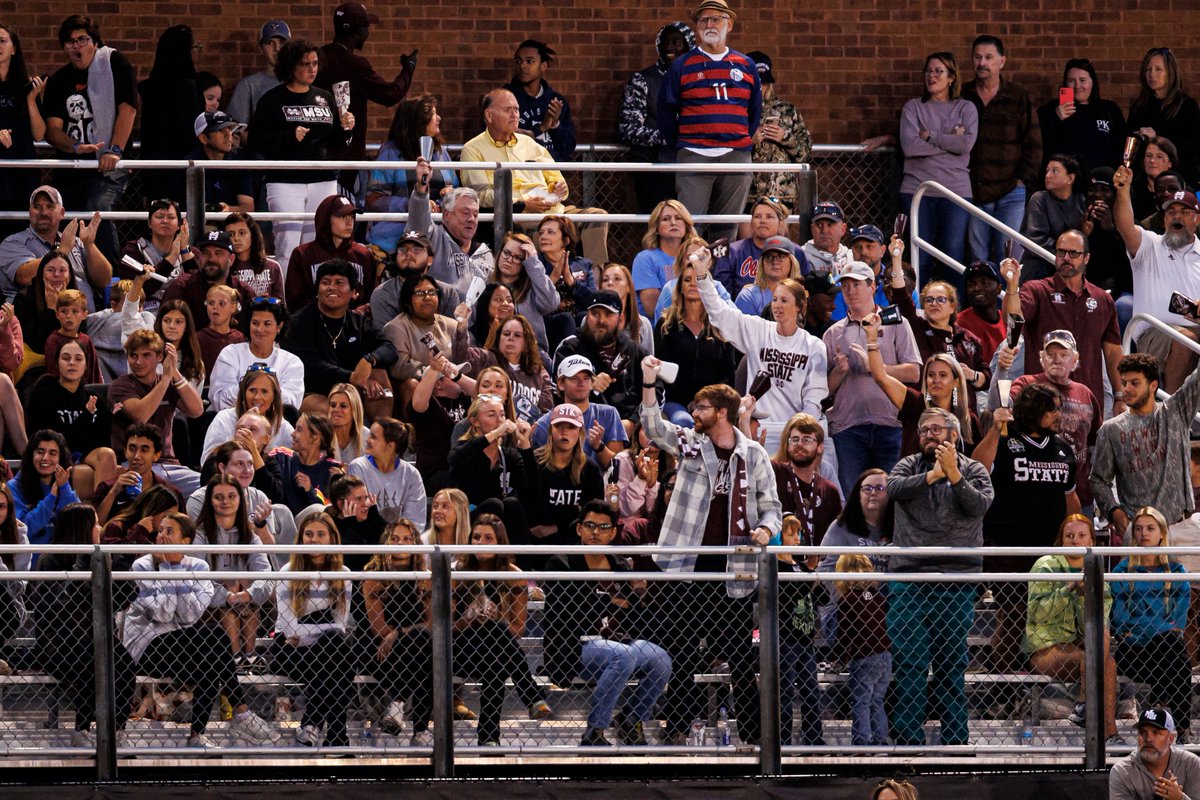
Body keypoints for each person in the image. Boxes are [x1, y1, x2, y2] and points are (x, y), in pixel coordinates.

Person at [639, 358, 781, 744]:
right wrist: (649, 383)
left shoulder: (753, 455)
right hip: (687, 565)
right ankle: (678, 732)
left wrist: (767, 529)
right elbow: (653, 426)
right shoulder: (689, 443)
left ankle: (753, 736)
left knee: (740, 656)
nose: (694, 413)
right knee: (683, 652)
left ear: (722, 412)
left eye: (702, 408)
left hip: (733, 569)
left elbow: (772, 507)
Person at [886, 406, 993, 747]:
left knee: (951, 668)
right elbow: (893, 489)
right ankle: (907, 743)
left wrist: (954, 476)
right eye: (923, 431)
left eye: (936, 429)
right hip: (909, 578)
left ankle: (956, 744)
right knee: (910, 664)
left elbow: (979, 506)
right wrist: (932, 476)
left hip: (956, 579)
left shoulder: (974, 468)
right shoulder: (908, 465)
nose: (929, 435)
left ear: (953, 433)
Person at [123, 512, 277, 747]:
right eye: (161, 530)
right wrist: (168, 567)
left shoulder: (198, 566)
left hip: (185, 646)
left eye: (169, 531)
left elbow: (188, 616)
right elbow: (163, 614)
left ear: (186, 542)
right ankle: (240, 712)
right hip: (147, 645)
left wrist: (173, 573)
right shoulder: (142, 564)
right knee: (214, 640)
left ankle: (200, 735)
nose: (162, 536)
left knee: (213, 656)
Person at [543, 499, 671, 746]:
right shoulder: (562, 563)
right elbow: (570, 616)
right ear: (579, 528)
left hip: (620, 640)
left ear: (613, 532)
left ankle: (631, 718)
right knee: (621, 656)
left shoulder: (620, 564)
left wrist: (630, 599)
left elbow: (634, 614)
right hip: (575, 646)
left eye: (603, 527)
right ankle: (595, 731)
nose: (595, 532)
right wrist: (614, 601)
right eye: (590, 525)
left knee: (660, 659)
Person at [973, 382, 1079, 674]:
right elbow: (976, 467)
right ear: (1034, 410)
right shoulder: (1006, 440)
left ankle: (1032, 683)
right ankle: (1003, 685)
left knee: (1046, 615)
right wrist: (994, 430)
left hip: (1048, 548)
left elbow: (1070, 497)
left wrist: (1077, 531)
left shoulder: (1062, 448)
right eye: (1052, 409)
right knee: (1016, 612)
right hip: (1008, 545)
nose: (1059, 414)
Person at [692, 243, 827, 451]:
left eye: (784, 300)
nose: (777, 305)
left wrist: (803, 434)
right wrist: (702, 276)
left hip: (794, 431)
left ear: (799, 307)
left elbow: (813, 397)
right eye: (774, 300)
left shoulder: (814, 346)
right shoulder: (758, 330)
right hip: (758, 428)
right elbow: (720, 313)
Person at [460, 90, 609, 266]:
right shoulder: (473, 149)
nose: (515, 114)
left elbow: (558, 180)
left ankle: (595, 282)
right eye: (508, 110)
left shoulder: (529, 143)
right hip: (518, 214)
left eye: (516, 109)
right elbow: (481, 196)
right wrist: (522, 203)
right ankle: (543, 282)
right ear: (489, 115)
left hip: (555, 209)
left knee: (596, 216)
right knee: (537, 227)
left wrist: (557, 189)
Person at [31, 503, 135, 746]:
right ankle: (82, 729)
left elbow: (122, 599)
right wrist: (81, 574)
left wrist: (121, 571)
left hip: (97, 639)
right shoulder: (51, 561)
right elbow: (57, 609)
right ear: (83, 528)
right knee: (89, 658)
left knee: (125, 665)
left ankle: (116, 730)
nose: (99, 529)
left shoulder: (98, 559)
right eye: (96, 524)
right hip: (58, 646)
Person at [657, 0, 761, 243]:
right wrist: (685, 143)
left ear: (729, 24)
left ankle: (721, 276)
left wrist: (738, 139)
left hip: (735, 156)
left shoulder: (746, 65)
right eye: (704, 20)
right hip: (694, 154)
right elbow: (665, 112)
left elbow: (754, 111)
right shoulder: (681, 66)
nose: (710, 24)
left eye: (716, 19)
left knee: (727, 229)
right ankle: (690, 276)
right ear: (697, 27)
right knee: (689, 227)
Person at [249, 38, 354, 272]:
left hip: (323, 180)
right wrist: (288, 137)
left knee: (318, 245)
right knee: (287, 246)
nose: (312, 69)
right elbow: (256, 140)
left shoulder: (325, 97)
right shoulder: (272, 99)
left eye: (315, 63)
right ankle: (286, 302)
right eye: (305, 64)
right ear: (290, 66)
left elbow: (338, 143)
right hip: (286, 181)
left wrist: (347, 129)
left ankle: (312, 300)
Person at [41, 15, 137, 264]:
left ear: (95, 42)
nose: (76, 46)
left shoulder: (114, 63)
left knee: (97, 209)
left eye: (83, 39)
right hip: (72, 166)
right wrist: (74, 145)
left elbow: (128, 109)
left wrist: (113, 150)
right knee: (63, 216)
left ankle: (111, 276)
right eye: (70, 42)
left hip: (108, 164)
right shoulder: (59, 80)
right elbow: (52, 130)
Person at [451, 514, 553, 744]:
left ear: (499, 543)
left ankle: (489, 739)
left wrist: (494, 619)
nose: (480, 542)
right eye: (476, 537)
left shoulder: (513, 577)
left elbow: (517, 628)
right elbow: (443, 626)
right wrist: (469, 618)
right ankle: (531, 697)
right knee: (497, 645)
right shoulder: (457, 572)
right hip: (458, 650)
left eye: (488, 538)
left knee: (496, 645)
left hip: (495, 651)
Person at [824, 260, 921, 493]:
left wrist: (875, 367)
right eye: (845, 285)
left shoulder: (897, 323)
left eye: (856, 284)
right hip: (848, 428)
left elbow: (914, 372)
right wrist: (839, 371)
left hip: (891, 424)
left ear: (872, 287)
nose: (850, 290)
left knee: (890, 498)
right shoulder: (832, 333)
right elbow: (823, 390)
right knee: (851, 499)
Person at [999, 229, 1122, 409]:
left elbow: (1112, 351)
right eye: (1061, 252)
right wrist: (1012, 286)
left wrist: (1119, 396)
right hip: (1042, 400)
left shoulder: (1102, 299)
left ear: (1086, 258)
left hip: (1087, 400)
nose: (1066, 258)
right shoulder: (1037, 290)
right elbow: (1012, 318)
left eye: (1073, 253)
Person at [1025, 514, 1121, 744]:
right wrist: (1069, 587)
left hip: (1084, 648)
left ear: (1092, 542)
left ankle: (1084, 706)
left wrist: (1082, 597)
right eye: (1069, 536)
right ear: (1060, 541)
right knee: (1104, 662)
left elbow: (1099, 622)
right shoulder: (1046, 564)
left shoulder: (1097, 573)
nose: (1075, 541)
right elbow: (1038, 613)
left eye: (1081, 536)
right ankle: (1109, 733)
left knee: (1103, 654)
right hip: (1047, 647)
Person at [1092, 349, 1200, 545]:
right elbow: (1098, 480)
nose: (1126, 389)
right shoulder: (1110, 429)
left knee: (1189, 578)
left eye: (1135, 383)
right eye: (1124, 383)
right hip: (1139, 531)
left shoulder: (1175, 411)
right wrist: (1114, 511)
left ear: (1153, 385)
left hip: (1181, 527)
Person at [1113, 165, 1200, 393]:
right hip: (1155, 334)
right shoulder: (1150, 245)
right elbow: (1125, 227)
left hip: (1194, 330)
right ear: (1164, 220)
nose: (1177, 216)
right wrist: (1123, 192)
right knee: (1186, 339)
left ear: (1197, 219)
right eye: (1171, 212)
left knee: (1190, 337)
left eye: (1185, 211)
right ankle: (1173, 413)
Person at [314, 1, 415, 195]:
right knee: (344, 216)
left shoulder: (318, 58)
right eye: (366, 27)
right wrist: (408, 69)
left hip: (316, 155)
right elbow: (391, 94)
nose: (368, 32)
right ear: (358, 31)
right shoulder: (354, 64)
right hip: (345, 159)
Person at [1112, 507, 1193, 741]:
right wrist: (1157, 628)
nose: (1143, 533)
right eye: (1138, 529)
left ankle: (1167, 709)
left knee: (1171, 645)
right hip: (1133, 652)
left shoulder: (1176, 571)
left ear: (1161, 533)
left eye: (1150, 528)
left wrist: (1146, 627)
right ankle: (1182, 729)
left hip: (1165, 650)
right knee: (1177, 657)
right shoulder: (1122, 570)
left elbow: (1178, 622)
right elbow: (1121, 622)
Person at [1000, 330, 1103, 510]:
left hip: (1080, 493)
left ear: (1075, 359)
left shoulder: (1086, 393)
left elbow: (1096, 444)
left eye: (1064, 354)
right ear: (1042, 358)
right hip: (1033, 490)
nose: (1057, 359)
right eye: (1050, 354)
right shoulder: (1026, 384)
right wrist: (1001, 370)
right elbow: (1003, 406)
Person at [961, 34, 1041, 263]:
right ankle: (981, 301)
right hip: (974, 191)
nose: (982, 63)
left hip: (1011, 191)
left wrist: (1023, 179)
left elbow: (1033, 143)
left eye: (988, 57)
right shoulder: (962, 95)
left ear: (1001, 62)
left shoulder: (1018, 96)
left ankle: (1008, 300)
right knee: (978, 257)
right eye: (977, 57)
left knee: (1009, 257)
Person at [900, 51, 978, 278]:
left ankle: (953, 310)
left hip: (955, 191)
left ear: (951, 77)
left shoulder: (966, 108)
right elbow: (910, 147)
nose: (931, 76)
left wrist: (930, 136)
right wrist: (949, 139)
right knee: (919, 256)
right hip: (916, 190)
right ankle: (916, 309)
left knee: (952, 255)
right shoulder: (913, 108)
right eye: (928, 71)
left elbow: (965, 145)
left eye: (938, 71)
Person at [283, 259, 396, 415]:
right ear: (317, 290)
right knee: (336, 410)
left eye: (339, 283)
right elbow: (310, 365)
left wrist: (371, 359)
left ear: (354, 293)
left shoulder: (359, 322)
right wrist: (351, 377)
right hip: (313, 391)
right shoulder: (297, 322)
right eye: (325, 282)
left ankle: (380, 433)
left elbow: (389, 348)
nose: (331, 287)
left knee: (379, 373)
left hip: (353, 390)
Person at [361, 520, 434, 744]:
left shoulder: (425, 578)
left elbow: (431, 624)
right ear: (386, 542)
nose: (400, 543)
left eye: (406, 538)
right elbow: (379, 628)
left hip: (414, 647)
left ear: (415, 543)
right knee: (425, 654)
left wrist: (399, 633)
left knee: (424, 644)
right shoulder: (374, 577)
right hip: (380, 649)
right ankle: (420, 730)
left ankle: (398, 704)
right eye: (394, 538)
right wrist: (396, 635)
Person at [191, 474, 272, 665]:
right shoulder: (200, 535)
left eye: (231, 496)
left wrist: (248, 594)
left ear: (240, 500)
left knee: (245, 595)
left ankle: (246, 657)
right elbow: (197, 580)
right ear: (209, 501)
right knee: (231, 596)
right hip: (208, 607)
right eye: (218, 497)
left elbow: (266, 575)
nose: (225, 501)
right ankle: (238, 658)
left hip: (245, 605)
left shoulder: (251, 536)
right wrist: (226, 595)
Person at [108, 329, 203, 491]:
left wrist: (174, 372)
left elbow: (197, 410)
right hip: (135, 465)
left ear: (159, 357)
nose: (138, 362)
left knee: (208, 487)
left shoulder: (167, 383)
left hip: (170, 465)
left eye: (146, 355)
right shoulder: (121, 385)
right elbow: (141, 416)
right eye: (133, 355)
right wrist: (166, 378)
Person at [366, 94, 458, 259]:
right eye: (433, 114)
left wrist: (445, 197)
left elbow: (454, 187)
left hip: (439, 227)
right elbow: (374, 199)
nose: (439, 118)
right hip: (399, 230)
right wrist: (413, 205)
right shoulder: (390, 152)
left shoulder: (440, 151)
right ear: (419, 120)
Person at [619, 22, 695, 212]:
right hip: (654, 169)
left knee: (694, 225)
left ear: (689, 45)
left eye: (676, 42)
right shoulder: (642, 80)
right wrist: (669, 136)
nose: (669, 47)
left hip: (693, 168)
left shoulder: (699, 79)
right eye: (665, 42)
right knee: (658, 226)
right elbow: (628, 128)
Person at [653, 260, 739, 427]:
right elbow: (661, 371)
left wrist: (706, 401)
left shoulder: (720, 325)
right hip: (676, 400)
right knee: (683, 421)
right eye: (687, 280)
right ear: (680, 287)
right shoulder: (666, 325)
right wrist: (690, 401)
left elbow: (728, 373)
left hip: (713, 402)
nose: (693, 284)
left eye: (698, 279)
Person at [25, 340, 113, 498]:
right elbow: (52, 440)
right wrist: (85, 417)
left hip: (84, 457)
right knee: (92, 475)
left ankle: (102, 518)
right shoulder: (44, 393)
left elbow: (102, 441)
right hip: (53, 457)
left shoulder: (94, 399)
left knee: (111, 459)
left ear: (86, 365)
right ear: (57, 364)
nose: (72, 363)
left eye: (78, 359)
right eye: (66, 358)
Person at [0, 185, 110, 310]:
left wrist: (89, 245)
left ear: (62, 213)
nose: (43, 212)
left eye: (50, 206)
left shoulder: (76, 242)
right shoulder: (13, 243)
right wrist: (62, 250)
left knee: (124, 321)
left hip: (86, 320)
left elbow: (104, 280)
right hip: (39, 323)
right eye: (37, 207)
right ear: (30, 212)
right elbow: (25, 277)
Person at [552, 291, 649, 421]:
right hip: (581, 425)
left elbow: (656, 393)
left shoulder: (634, 351)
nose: (601, 320)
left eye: (608, 314)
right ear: (587, 316)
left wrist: (634, 421)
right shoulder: (570, 348)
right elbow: (556, 390)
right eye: (595, 314)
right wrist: (588, 385)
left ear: (620, 318)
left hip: (627, 427)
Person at [405, 162, 493, 297]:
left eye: (475, 214)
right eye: (465, 213)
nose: (471, 219)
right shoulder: (432, 238)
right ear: (446, 215)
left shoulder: (485, 254)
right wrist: (421, 187)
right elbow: (418, 219)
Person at [743, 52, 811, 224]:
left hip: (781, 191)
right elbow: (723, 148)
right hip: (747, 192)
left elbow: (805, 154)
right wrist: (748, 141)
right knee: (746, 244)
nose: (759, 88)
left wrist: (786, 137)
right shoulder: (737, 111)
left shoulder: (787, 110)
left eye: (764, 83)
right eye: (755, 83)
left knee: (778, 244)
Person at [136, 25, 202, 202]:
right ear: (185, 51)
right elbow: (191, 132)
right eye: (196, 48)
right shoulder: (186, 86)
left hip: (153, 168)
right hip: (181, 170)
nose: (197, 53)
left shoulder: (151, 87)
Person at [528, 404, 604, 556]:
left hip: (573, 542)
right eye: (559, 426)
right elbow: (531, 507)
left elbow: (593, 514)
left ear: (580, 432)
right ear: (550, 430)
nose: (564, 432)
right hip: (535, 541)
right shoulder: (535, 462)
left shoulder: (590, 470)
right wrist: (571, 512)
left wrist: (555, 527)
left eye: (571, 427)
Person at [531, 355, 628, 469]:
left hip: (600, 485)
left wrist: (599, 447)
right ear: (561, 383)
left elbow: (618, 468)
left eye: (586, 378)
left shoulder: (609, 414)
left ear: (592, 383)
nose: (581, 383)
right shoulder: (544, 424)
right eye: (574, 378)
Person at [1037, 58, 1126, 182]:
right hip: (1063, 183)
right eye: (1071, 81)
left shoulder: (1109, 110)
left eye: (1082, 80)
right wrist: (1055, 119)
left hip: (1099, 183)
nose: (1077, 86)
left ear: (1092, 82)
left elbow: (1121, 145)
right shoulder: (1050, 111)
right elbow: (1040, 148)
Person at [209, 296, 303, 412]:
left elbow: (291, 405)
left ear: (279, 326)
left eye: (267, 324)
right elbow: (219, 400)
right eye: (255, 323)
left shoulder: (292, 362)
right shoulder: (230, 354)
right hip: (232, 418)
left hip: (273, 423)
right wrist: (250, 385)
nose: (259, 329)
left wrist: (261, 386)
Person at [835, 553, 891, 747]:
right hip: (884, 654)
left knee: (861, 701)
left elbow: (844, 634)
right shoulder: (878, 597)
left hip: (865, 655)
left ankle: (861, 742)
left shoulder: (848, 600)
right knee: (877, 700)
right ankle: (880, 739)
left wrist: (840, 657)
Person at [896, 278, 990, 393]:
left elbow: (986, 380)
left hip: (963, 408)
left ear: (952, 306)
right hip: (928, 407)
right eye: (929, 300)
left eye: (941, 299)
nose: (934, 304)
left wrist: (971, 375)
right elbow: (902, 299)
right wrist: (896, 261)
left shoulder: (968, 338)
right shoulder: (917, 328)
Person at [285, 193, 375, 313]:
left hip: (355, 326)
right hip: (313, 326)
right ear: (326, 219)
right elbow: (294, 301)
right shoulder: (302, 254)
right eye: (342, 217)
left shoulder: (363, 255)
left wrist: (355, 315)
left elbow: (372, 298)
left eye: (352, 216)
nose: (349, 222)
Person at [1128, 47, 1200, 186]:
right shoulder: (1139, 107)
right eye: (1148, 69)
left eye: (1158, 69)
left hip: (1179, 179)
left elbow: (1194, 148)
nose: (1152, 74)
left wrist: (1157, 138)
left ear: (1170, 72)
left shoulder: (1186, 106)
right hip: (1145, 181)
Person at [160, 230, 254, 335]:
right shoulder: (181, 287)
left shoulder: (244, 292)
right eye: (206, 253)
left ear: (231, 259)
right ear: (199, 257)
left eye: (218, 253)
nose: (211, 258)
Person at [771, 413, 842, 543]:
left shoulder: (829, 491)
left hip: (816, 561)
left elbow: (837, 537)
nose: (799, 444)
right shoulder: (774, 472)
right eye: (795, 439)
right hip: (778, 560)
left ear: (820, 447)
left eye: (807, 439)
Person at [0, 24, 46, 223]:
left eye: (2, 41)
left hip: (22, 169)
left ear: (13, 48)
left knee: (19, 228)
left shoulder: (25, 84)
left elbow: (39, 134)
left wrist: (31, 100)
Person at [201, 366, 294, 463]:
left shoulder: (282, 426)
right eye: (252, 390)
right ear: (243, 392)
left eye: (264, 391)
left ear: (274, 396)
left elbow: (298, 461)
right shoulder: (224, 418)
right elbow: (207, 462)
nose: (257, 397)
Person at [93, 423, 181, 525]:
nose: (137, 456)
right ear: (125, 452)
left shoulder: (170, 494)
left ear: (156, 455)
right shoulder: (106, 488)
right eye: (132, 449)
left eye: (144, 450)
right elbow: (94, 528)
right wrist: (113, 493)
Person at [504, 39, 575, 162]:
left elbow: (567, 149)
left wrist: (555, 124)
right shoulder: (505, 98)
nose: (522, 65)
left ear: (543, 66)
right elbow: (502, 139)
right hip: (518, 174)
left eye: (529, 61)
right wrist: (541, 127)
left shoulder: (556, 101)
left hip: (551, 175)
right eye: (518, 61)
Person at [1019, 154, 1086, 280]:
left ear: (1070, 178)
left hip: (1069, 263)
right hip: (1041, 262)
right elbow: (1036, 239)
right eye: (1047, 171)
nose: (1048, 175)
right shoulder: (1039, 199)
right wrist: (1066, 255)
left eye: (1054, 171)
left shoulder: (1081, 201)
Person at [348, 417, 425, 525]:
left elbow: (415, 521)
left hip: (401, 539)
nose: (367, 440)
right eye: (370, 435)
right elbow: (356, 514)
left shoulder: (411, 474)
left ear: (390, 446)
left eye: (373, 437)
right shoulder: (358, 467)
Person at [491, 233, 560, 355]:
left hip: (531, 354)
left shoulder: (532, 291)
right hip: (492, 353)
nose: (509, 260)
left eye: (517, 257)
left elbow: (551, 303)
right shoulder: (485, 286)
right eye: (506, 253)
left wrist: (534, 263)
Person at [116, 198, 193, 307]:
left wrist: (184, 250)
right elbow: (140, 291)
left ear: (179, 225)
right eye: (159, 217)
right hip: (144, 313)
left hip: (180, 313)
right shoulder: (133, 251)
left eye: (171, 217)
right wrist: (172, 257)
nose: (165, 221)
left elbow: (198, 287)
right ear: (149, 223)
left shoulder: (190, 252)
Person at [1109, 707, 1200, 799]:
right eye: (1143, 732)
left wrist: (1179, 798)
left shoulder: (1190, 764)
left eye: (1156, 733)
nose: (1148, 739)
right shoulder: (1122, 772)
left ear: (1170, 739)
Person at [817, 468, 893, 575]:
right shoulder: (840, 527)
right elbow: (825, 569)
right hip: (850, 590)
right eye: (867, 488)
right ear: (858, 495)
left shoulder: (898, 528)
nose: (873, 492)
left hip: (890, 592)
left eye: (879, 488)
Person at [10, 429, 78, 548]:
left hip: (61, 560)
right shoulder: (14, 487)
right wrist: (51, 497)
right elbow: (23, 531)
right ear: (31, 455)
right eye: (40, 452)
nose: (45, 458)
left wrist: (64, 489)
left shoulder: (65, 487)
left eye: (52, 453)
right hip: (28, 561)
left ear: (60, 459)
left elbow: (76, 526)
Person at [480, 317, 554, 424]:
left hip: (527, 433)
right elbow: (462, 356)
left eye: (517, 335)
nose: (510, 338)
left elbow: (546, 414)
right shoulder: (487, 359)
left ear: (526, 342)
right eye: (506, 334)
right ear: (498, 338)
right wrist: (461, 327)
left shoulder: (539, 373)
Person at [537, 214, 596, 347]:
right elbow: (534, 303)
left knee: (585, 317)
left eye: (550, 232)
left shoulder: (583, 265)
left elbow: (593, 301)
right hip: (548, 324)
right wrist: (552, 280)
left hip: (578, 323)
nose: (543, 236)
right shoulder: (535, 265)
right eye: (541, 233)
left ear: (566, 240)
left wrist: (571, 281)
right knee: (565, 319)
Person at [632, 199, 696, 317]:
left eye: (678, 218)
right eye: (666, 219)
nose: (673, 222)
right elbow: (653, 308)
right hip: (661, 327)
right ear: (656, 227)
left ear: (686, 225)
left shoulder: (695, 257)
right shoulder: (645, 259)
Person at [187, 111, 255, 215]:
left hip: (232, 223)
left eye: (229, 129)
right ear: (203, 138)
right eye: (220, 130)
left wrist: (228, 210)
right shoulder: (190, 164)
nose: (228, 135)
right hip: (200, 224)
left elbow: (248, 207)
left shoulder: (240, 162)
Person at [227, 20, 290, 132]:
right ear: (261, 48)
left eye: (282, 42)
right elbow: (235, 129)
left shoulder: (302, 82)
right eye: (270, 43)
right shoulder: (249, 85)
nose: (277, 48)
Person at [273, 412, 340, 514]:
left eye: (299, 429)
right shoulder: (281, 457)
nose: (293, 434)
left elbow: (330, 511)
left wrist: (310, 490)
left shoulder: (333, 470)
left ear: (316, 438)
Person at [955, 260, 1006, 363]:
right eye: (971, 284)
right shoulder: (958, 324)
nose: (977, 288)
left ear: (999, 288)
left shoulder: (1008, 321)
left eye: (984, 283)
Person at [224, 213, 283, 300]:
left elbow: (281, 304)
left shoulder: (273, 267)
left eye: (242, 233)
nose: (236, 238)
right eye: (231, 234)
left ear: (252, 236)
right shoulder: (225, 268)